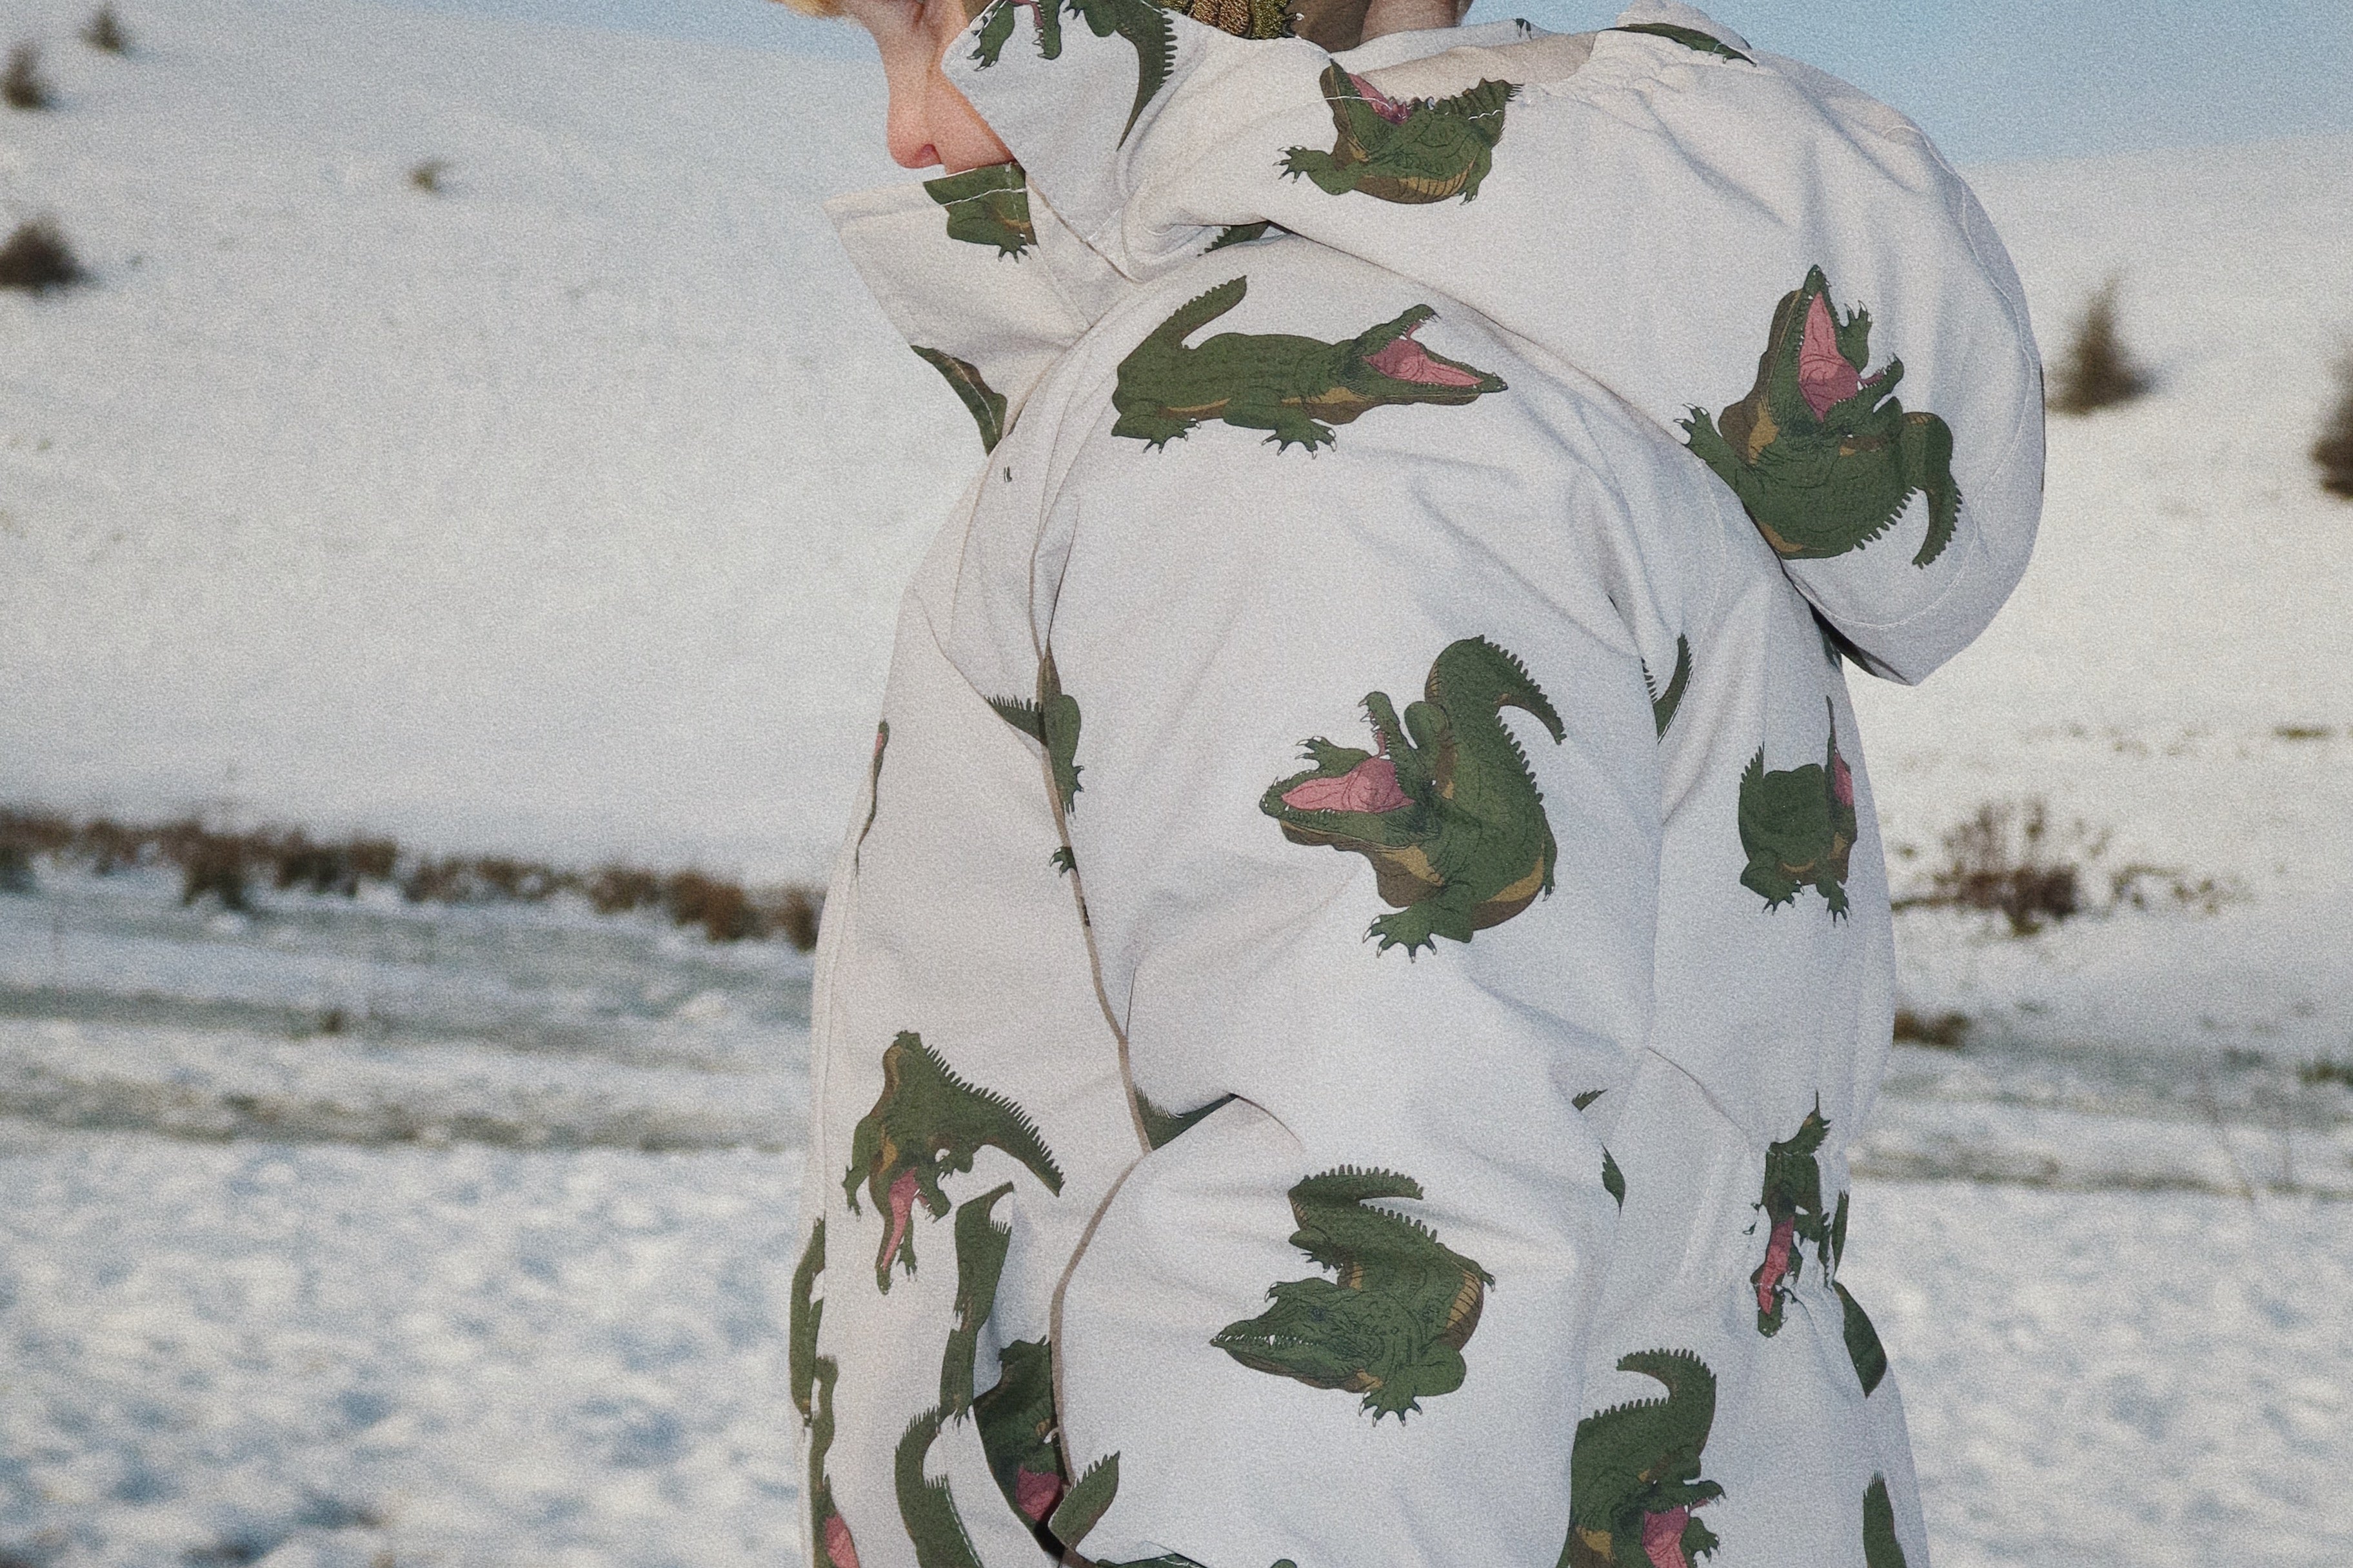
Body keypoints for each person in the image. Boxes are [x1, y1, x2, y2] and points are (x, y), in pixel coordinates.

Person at [781, 1, 2041, 1565]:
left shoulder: (1311, 428)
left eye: (946, 24)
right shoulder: (1536, 352)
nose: (910, 130)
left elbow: (1365, 1240)